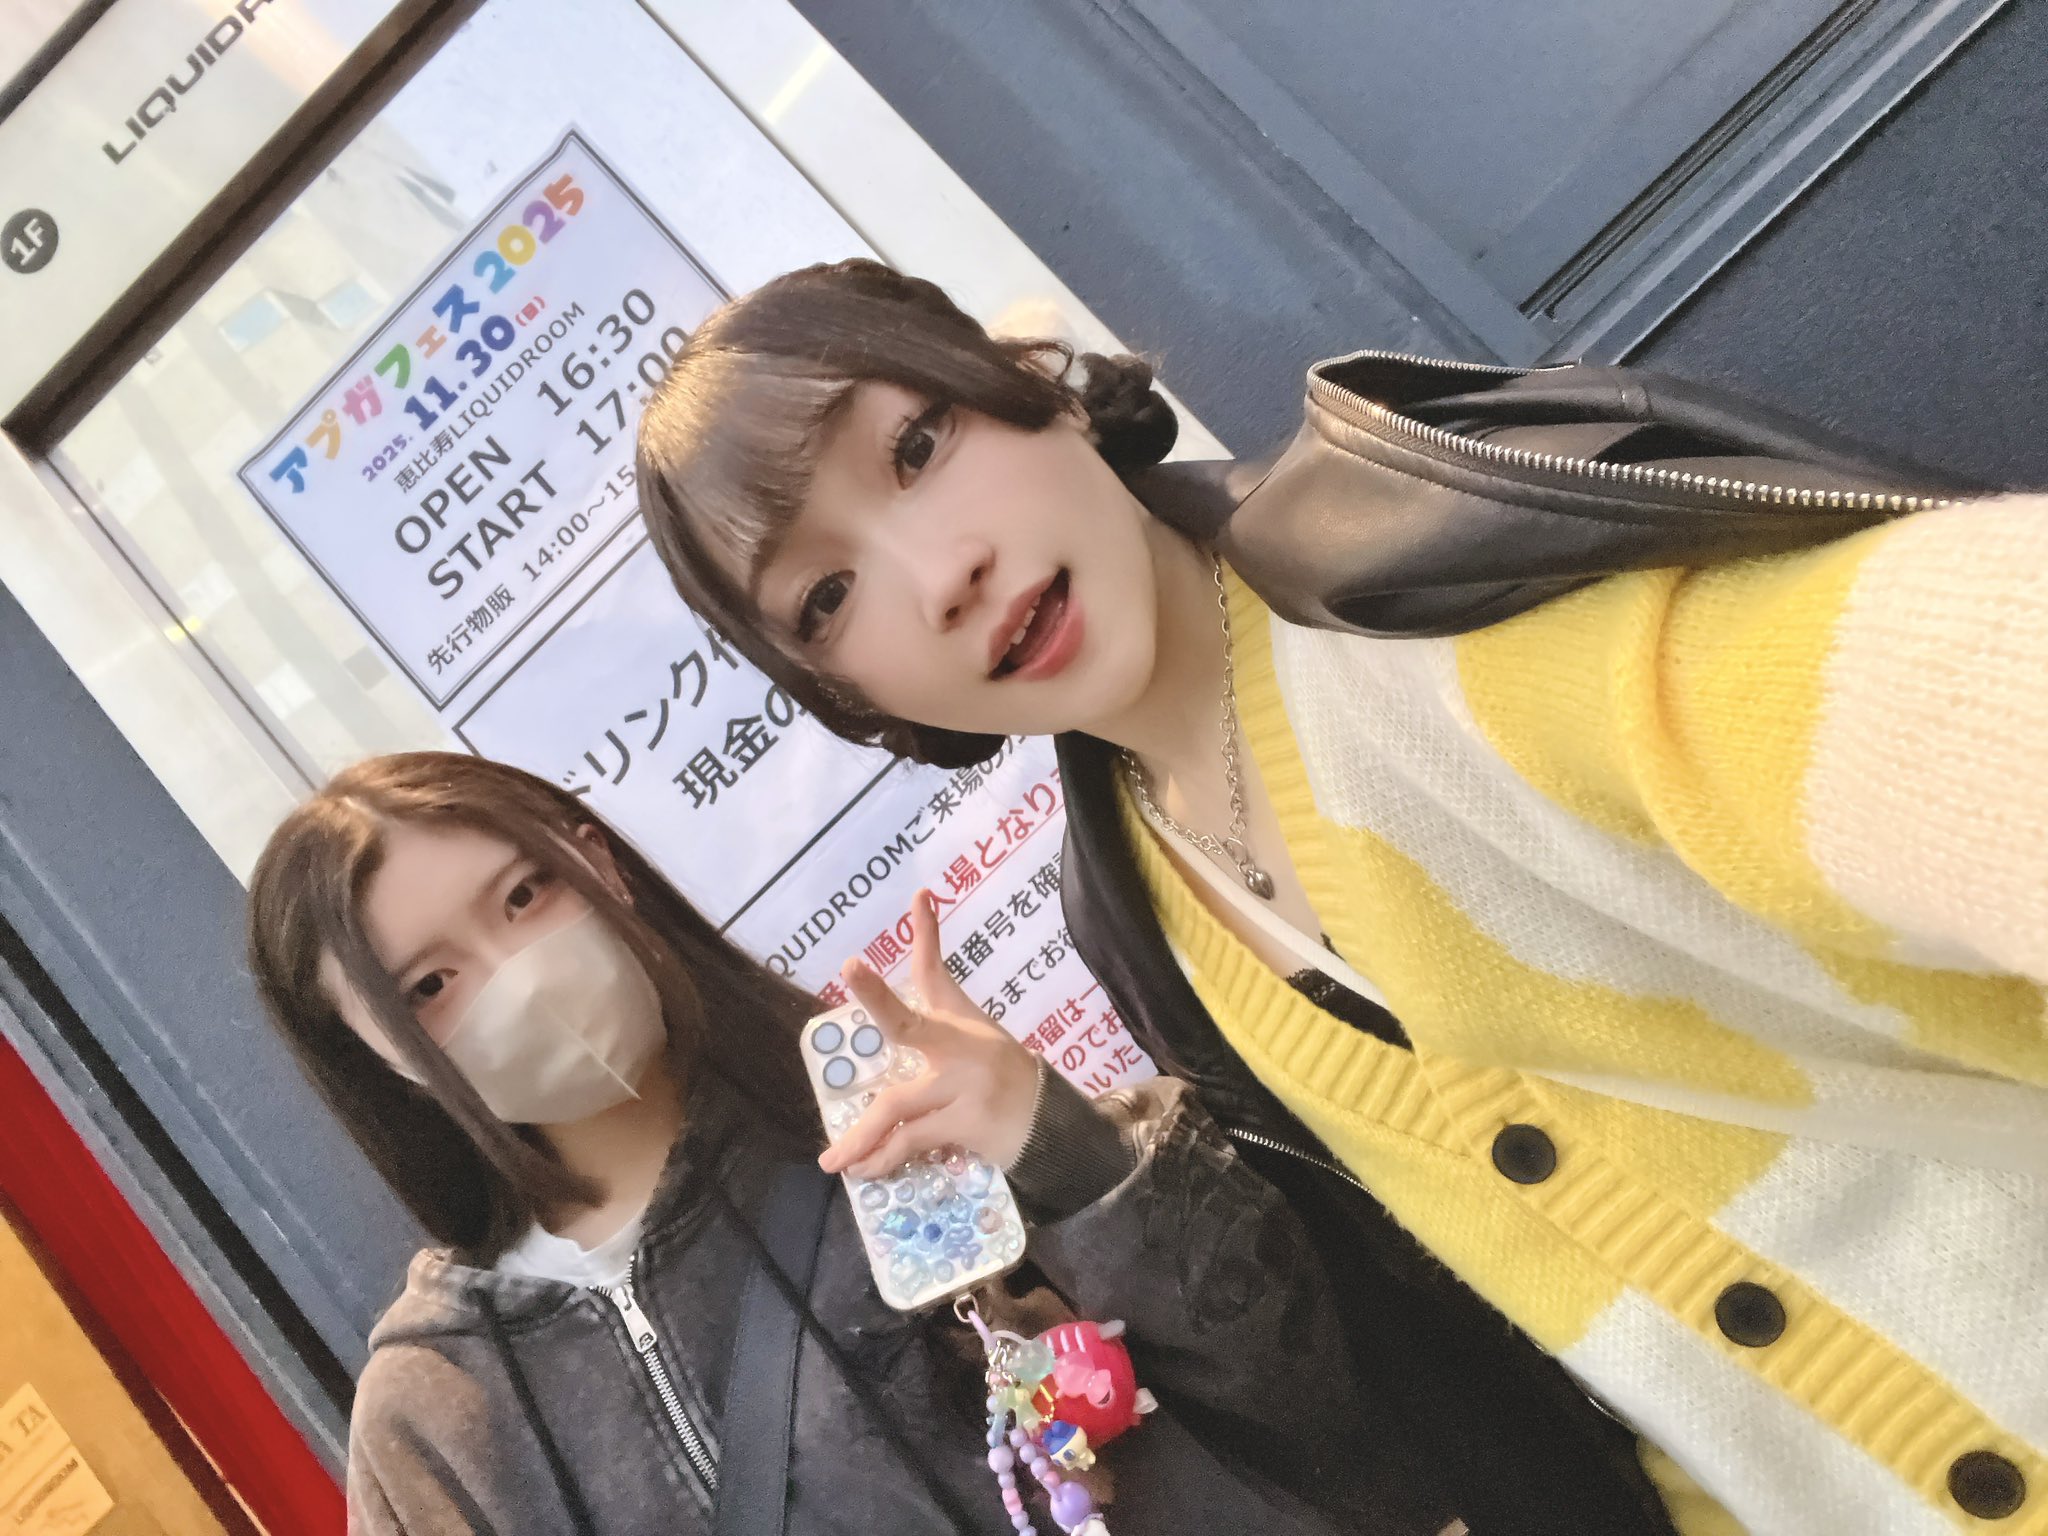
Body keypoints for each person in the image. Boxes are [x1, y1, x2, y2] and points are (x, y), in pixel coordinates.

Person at [636, 258, 2048, 1536]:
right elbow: (1569, 1350)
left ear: (1035, 389)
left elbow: (1937, 683)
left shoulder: (1432, 602)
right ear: (844, 695)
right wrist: (1055, 1149)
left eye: (917, 446)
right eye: (825, 601)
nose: (939, 578)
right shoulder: (1137, 913)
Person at [245, 750, 1465, 1535]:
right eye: (430, 986)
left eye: (525, 894)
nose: (518, 974)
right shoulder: (435, 1411)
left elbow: (1305, 1391)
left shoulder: (901, 1113)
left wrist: (1060, 1149)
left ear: (596, 864)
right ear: (373, 1054)